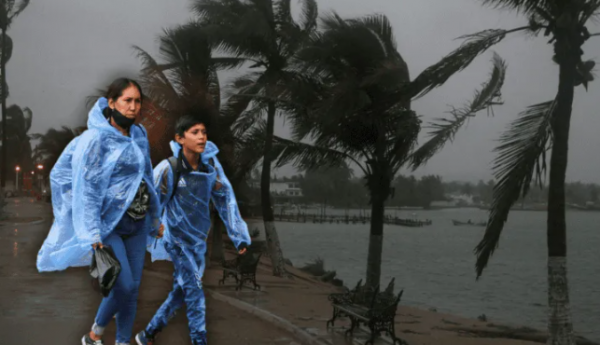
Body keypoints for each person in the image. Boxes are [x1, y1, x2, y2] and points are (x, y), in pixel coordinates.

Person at [36, 78, 162, 345]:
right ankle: (96, 331)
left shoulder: (139, 135)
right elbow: (89, 188)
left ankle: (121, 341)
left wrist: (156, 215)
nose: (133, 107)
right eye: (127, 100)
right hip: (109, 226)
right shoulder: (96, 140)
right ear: (111, 103)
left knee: (133, 290)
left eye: (137, 101)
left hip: (138, 224)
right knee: (124, 285)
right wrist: (93, 234)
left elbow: (147, 177)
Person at [135, 114, 251, 345]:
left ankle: (147, 334)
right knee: (195, 292)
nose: (201, 137)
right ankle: (200, 341)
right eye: (195, 132)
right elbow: (147, 199)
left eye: (204, 132)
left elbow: (225, 200)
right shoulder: (169, 168)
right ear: (180, 138)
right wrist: (153, 225)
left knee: (181, 292)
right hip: (176, 241)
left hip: (198, 243)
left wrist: (239, 237)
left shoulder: (210, 170)